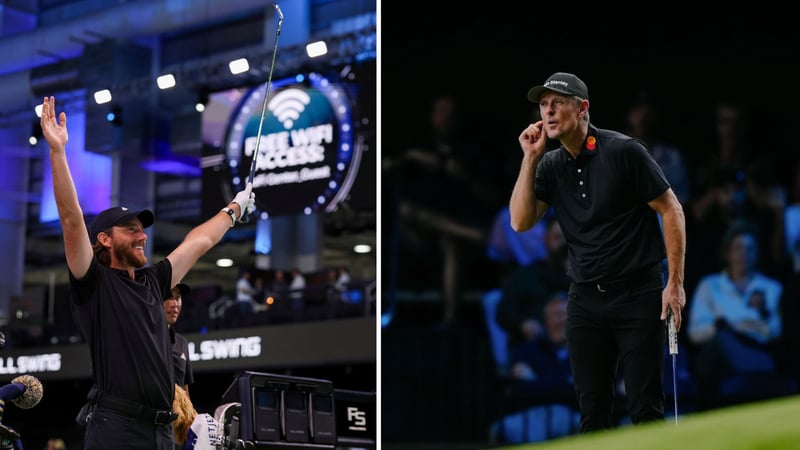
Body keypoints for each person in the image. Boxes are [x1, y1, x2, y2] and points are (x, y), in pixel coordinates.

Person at [40, 95, 255, 450]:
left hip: (162, 431)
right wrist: (58, 152)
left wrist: (234, 208)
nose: (142, 236)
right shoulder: (93, 281)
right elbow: (70, 218)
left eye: (143, 228)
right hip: (116, 427)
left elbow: (198, 242)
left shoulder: (154, 281)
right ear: (105, 239)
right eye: (131, 229)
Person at [509, 72, 686, 432]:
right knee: (592, 413)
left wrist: (675, 283)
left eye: (557, 102)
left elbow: (672, 210)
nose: (548, 111)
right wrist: (529, 158)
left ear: (583, 107)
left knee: (645, 407)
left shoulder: (624, 151)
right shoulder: (551, 165)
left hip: (638, 294)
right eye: (543, 105)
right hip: (586, 299)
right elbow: (520, 222)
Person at [164, 283, 194, 397]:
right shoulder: (143, 339)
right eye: (169, 297)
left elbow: (185, 391)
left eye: (177, 298)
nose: (174, 304)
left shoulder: (182, 342)